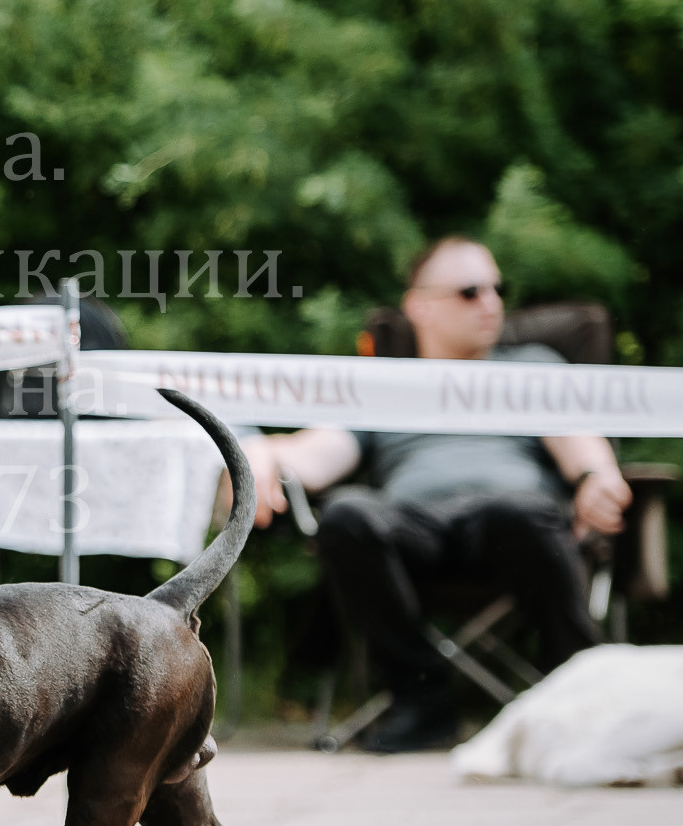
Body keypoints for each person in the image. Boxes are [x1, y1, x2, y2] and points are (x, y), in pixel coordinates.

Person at [239, 236, 632, 752]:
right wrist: (261, 453)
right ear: (418, 305)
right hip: (413, 530)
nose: (491, 303)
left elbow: (579, 441)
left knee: (518, 513)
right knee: (347, 514)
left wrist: (597, 475)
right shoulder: (384, 383)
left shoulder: (532, 367)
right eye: (470, 291)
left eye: (497, 289)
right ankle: (421, 699)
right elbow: (314, 454)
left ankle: (587, 694)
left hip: (511, 526)